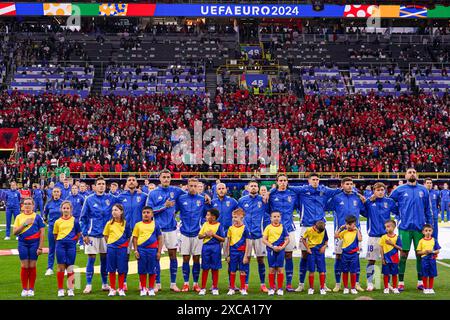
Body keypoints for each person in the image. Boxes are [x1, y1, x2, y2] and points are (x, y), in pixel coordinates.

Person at [288, 173, 342, 293]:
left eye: (317, 179)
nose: (315, 181)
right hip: (306, 226)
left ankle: (324, 285)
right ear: (309, 181)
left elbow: (338, 191)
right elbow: (288, 186)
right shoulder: (303, 189)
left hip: (321, 227)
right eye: (313, 179)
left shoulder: (324, 190)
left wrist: (355, 192)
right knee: (304, 255)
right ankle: (301, 283)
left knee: (321, 255)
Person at [389, 168, 433, 291]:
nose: (412, 174)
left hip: (420, 228)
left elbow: (427, 210)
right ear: (405, 175)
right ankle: (401, 282)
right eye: (409, 172)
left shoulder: (423, 190)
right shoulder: (399, 190)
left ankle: (420, 282)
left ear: (417, 175)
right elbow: (390, 202)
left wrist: (430, 226)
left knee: (420, 255)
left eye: (414, 172)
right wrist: (398, 214)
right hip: (405, 228)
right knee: (403, 254)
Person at [146, 169, 186, 292]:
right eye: (164, 177)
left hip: (172, 229)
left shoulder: (176, 191)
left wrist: (204, 195)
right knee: (156, 256)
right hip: (157, 230)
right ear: (160, 178)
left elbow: (189, 193)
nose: (166, 179)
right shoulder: (153, 193)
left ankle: (173, 283)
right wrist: (164, 206)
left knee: (173, 256)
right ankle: (157, 283)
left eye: (168, 177)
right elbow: (149, 211)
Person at [80, 176, 119, 294]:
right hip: (92, 234)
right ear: (95, 186)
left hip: (107, 235)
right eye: (99, 184)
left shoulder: (111, 198)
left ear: (105, 186)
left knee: (104, 260)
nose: (101, 185)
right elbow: (83, 218)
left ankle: (104, 283)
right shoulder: (89, 199)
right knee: (91, 259)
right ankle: (88, 284)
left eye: (103, 184)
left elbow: (122, 201)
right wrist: (84, 233)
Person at [327, 177, 366, 292]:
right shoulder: (337, 198)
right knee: (338, 257)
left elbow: (365, 211)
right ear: (342, 185)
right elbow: (325, 206)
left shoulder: (357, 198)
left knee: (356, 257)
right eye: (347, 184)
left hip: (355, 234)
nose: (350, 186)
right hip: (341, 234)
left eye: (351, 184)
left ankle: (356, 283)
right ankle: (338, 284)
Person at [362, 182, 398, 291]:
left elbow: (398, 211)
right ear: (374, 191)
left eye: (382, 190)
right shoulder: (369, 202)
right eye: (378, 190)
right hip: (373, 236)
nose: (380, 192)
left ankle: (389, 284)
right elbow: (362, 211)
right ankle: (370, 283)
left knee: (388, 261)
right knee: (371, 260)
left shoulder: (389, 202)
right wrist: (367, 200)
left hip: (386, 237)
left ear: (385, 191)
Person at [115, 176, 148, 291]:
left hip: (140, 231)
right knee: (124, 257)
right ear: (126, 183)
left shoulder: (143, 196)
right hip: (125, 232)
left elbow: (151, 206)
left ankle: (141, 282)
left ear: (137, 183)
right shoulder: (120, 197)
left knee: (141, 257)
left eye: (133, 180)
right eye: (129, 180)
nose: (131, 182)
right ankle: (123, 282)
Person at [238, 180, 270, 292]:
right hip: (246, 236)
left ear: (258, 188)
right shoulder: (242, 201)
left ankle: (262, 284)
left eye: (255, 186)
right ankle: (245, 284)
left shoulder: (263, 200)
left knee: (261, 260)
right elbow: (238, 216)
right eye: (251, 186)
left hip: (259, 235)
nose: (253, 187)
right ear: (247, 188)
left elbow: (269, 214)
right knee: (246, 260)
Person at [176, 178, 208, 292]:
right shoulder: (181, 198)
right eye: (191, 185)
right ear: (187, 186)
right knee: (185, 258)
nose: (193, 188)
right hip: (184, 232)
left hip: (197, 233)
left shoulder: (202, 199)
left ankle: (195, 283)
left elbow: (207, 214)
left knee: (196, 259)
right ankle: (185, 283)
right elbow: (173, 211)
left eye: (195, 185)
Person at [268, 174, 298, 291]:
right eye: (280, 180)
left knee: (289, 255)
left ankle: (289, 284)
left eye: (285, 180)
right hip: (274, 231)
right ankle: (273, 285)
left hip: (289, 229)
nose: (283, 182)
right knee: (275, 257)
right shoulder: (271, 195)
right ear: (277, 182)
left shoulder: (292, 194)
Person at [14, 198, 45, 297]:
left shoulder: (38, 217)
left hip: (35, 244)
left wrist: (40, 247)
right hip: (22, 243)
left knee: (32, 266)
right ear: (22, 206)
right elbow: (15, 232)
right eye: (25, 204)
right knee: (24, 266)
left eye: (29, 204)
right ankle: (24, 289)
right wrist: (25, 224)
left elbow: (42, 233)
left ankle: (31, 289)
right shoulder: (19, 217)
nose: (27, 205)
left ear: (33, 205)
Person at [132, 206, 163, 296]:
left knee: (152, 270)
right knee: (142, 270)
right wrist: (136, 251)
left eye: (148, 212)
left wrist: (159, 251)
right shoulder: (138, 225)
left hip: (152, 250)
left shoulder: (155, 225)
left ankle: (151, 288)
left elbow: (160, 238)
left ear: (152, 214)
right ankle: (143, 288)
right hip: (141, 250)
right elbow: (135, 238)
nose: (146, 214)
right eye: (144, 212)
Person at [53, 201, 81, 297]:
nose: (65, 210)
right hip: (60, 245)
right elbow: (55, 235)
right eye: (64, 208)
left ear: (71, 209)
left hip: (71, 246)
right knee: (61, 267)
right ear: (61, 209)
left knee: (70, 267)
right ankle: (60, 289)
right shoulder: (57, 222)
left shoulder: (75, 221)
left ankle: (70, 289)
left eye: (67, 208)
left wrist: (72, 242)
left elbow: (78, 234)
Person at [103, 204, 132, 297]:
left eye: (116, 210)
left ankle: (120, 289)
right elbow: (106, 235)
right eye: (112, 210)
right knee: (111, 269)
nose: (114, 212)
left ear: (121, 211)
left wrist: (122, 244)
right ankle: (112, 289)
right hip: (111, 249)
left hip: (122, 249)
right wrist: (111, 244)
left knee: (121, 269)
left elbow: (128, 236)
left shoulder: (126, 224)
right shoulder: (109, 223)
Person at [198, 208, 225, 295]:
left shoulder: (219, 225)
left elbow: (223, 239)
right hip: (206, 247)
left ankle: (215, 287)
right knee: (205, 268)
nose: (206, 216)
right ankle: (203, 288)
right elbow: (199, 236)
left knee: (215, 268)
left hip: (216, 248)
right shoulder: (205, 224)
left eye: (208, 215)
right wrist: (206, 235)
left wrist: (213, 235)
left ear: (213, 217)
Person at [262, 211, 289, 296]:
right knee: (272, 269)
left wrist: (282, 247)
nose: (276, 218)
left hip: (280, 250)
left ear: (280, 218)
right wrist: (272, 247)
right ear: (271, 218)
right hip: (271, 251)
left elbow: (287, 239)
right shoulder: (268, 227)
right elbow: (264, 239)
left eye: (278, 216)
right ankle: (272, 288)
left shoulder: (283, 227)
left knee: (280, 269)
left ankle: (280, 289)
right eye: (274, 216)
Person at [224, 208, 250, 296]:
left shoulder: (245, 228)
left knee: (242, 270)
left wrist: (246, 255)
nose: (234, 219)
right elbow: (228, 242)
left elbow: (248, 242)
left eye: (236, 217)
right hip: (233, 253)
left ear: (241, 217)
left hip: (242, 253)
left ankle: (243, 288)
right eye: (233, 217)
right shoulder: (230, 228)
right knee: (232, 270)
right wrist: (227, 255)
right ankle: (231, 288)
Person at [335, 215, 362, 295]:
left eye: (352, 224)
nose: (350, 226)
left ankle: (353, 288)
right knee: (345, 271)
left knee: (353, 272)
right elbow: (336, 236)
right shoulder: (344, 232)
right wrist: (341, 228)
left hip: (354, 255)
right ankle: (346, 288)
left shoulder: (356, 232)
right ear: (346, 224)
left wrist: (357, 230)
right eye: (348, 224)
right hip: (345, 255)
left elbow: (360, 239)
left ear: (355, 224)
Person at [301, 220, 328, 295]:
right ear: (315, 227)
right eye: (318, 231)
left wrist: (324, 246)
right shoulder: (309, 230)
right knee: (311, 270)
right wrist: (307, 248)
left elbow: (326, 241)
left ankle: (322, 288)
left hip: (320, 250)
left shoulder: (323, 230)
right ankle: (311, 288)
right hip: (311, 251)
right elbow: (303, 239)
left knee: (322, 270)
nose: (319, 233)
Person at [43, 187, 64, 276]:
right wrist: (48, 222)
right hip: (52, 229)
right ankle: (50, 268)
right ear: (52, 193)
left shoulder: (63, 203)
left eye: (57, 191)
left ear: (60, 193)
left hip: (62, 229)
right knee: (51, 249)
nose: (56, 193)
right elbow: (45, 215)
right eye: (54, 191)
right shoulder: (49, 203)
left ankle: (63, 268)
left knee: (62, 249)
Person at [379, 220, 402, 294]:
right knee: (386, 274)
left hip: (394, 259)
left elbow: (401, 248)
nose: (387, 228)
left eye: (388, 226)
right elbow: (381, 248)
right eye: (385, 227)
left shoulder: (397, 237)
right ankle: (386, 288)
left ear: (394, 227)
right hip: (386, 259)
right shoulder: (383, 237)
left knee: (394, 274)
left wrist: (392, 244)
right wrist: (382, 258)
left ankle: (395, 287)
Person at [417, 224, 440, 294]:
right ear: (423, 232)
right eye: (426, 230)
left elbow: (438, 250)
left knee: (432, 274)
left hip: (432, 259)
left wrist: (432, 251)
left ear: (432, 231)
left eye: (429, 230)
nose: (428, 232)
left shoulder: (434, 240)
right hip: (424, 260)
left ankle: (430, 288)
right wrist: (424, 252)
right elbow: (418, 252)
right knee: (425, 274)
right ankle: (425, 288)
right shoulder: (421, 241)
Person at [67, 185, 85, 249]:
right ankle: (72, 242)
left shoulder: (81, 197)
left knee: (80, 230)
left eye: (75, 188)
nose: (74, 189)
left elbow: (84, 206)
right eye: (73, 188)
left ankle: (81, 243)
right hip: (71, 217)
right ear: (71, 190)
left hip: (79, 217)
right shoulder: (68, 198)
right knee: (71, 230)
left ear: (78, 189)